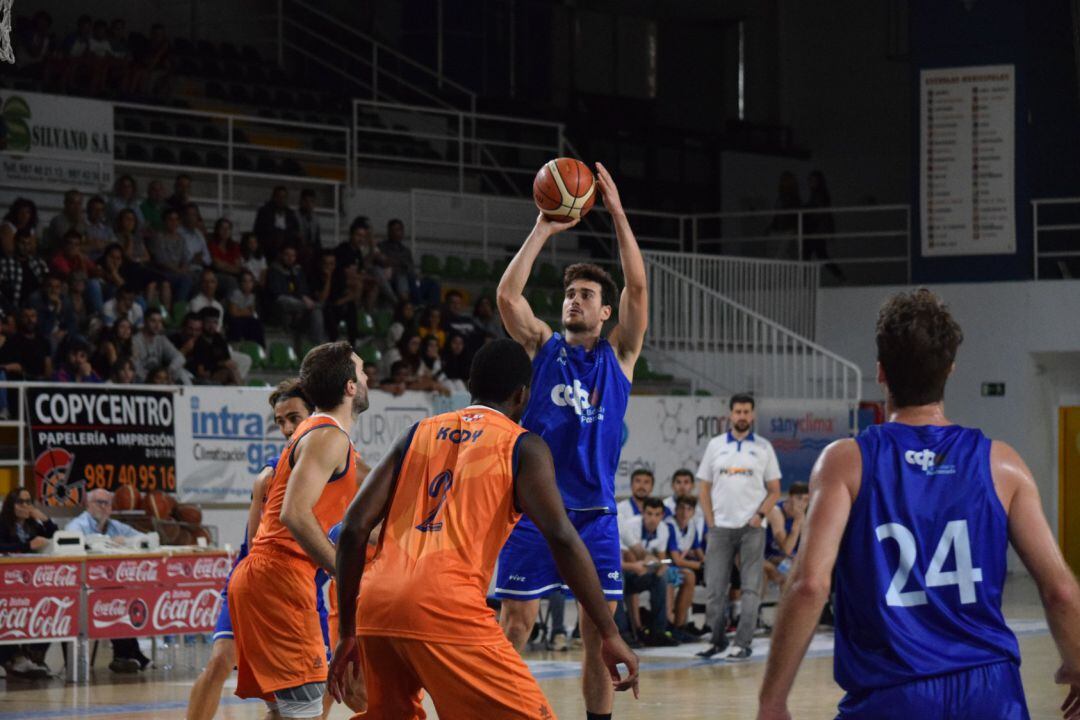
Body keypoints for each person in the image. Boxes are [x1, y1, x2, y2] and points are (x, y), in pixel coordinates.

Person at [758, 289, 1080, 719]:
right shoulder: (1003, 464)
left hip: (892, 693)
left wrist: (772, 699)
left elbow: (809, 585)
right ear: (949, 370)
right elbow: (1060, 589)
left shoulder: (845, 462)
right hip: (990, 692)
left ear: (880, 372)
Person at [328, 338, 639, 716]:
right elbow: (562, 538)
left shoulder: (417, 432)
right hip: (446, 605)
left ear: (471, 386)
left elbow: (353, 528)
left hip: (376, 606)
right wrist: (609, 632)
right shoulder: (522, 446)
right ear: (523, 395)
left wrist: (346, 632)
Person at [494, 162, 648, 720]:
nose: (574, 301)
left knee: (596, 637)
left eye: (586, 295)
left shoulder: (620, 357)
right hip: (535, 514)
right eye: (570, 295)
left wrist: (618, 213)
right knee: (514, 627)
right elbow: (509, 298)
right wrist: (542, 226)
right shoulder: (543, 349)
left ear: (606, 312)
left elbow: (637, 284)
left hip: (596, 518)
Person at [229, 341, 368, 718]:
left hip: (268, 576)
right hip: (278, 578)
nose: (368, 374)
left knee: (287, 711)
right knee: (305, 711)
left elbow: (373, 489)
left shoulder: (325, 437)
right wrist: (343, 568)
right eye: (362, 369)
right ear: (350, 387)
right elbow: (294, 513)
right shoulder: (328, 437)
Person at [187, 380, 314, 720]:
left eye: (294, 418)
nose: (287, 428)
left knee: (296, 693)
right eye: (280, 421)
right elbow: (255, 541)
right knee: (219, 660)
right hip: (257, 574)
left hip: (305, 586)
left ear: (314, 415)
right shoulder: (274, 469)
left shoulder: (334, 463)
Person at [696, 393, 782, 661]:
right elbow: (704, 486)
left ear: (753, 415)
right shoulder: (715, 445)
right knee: (715, 588)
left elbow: (775, 490)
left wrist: (760, 515)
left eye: (746, 412)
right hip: (720, 527)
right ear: (730, 415)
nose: (742, 416)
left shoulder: (764, 448)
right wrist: (710, 521)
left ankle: (743, 643)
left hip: (752, 527)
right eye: (738, 412)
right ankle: (717, 640)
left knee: (750, 588)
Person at [67, 488, 150, 673]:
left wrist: (129, 542)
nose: (104, 507)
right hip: (83, 586)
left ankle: (125, 654)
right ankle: (130, 654)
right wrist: (110, 542)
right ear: (88, 505)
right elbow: (74, 544)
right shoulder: (78, 524)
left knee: (124, 598)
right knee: (113, 600)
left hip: (109, 585)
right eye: (99, 503)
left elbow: (144, 538)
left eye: (108, 503)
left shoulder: (115, 526)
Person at [0, 488, 57, 677]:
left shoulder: (33, 525)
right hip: (7, 581)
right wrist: (27, 546)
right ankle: (12, 657)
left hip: (32, 581)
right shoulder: (2, 523)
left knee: (50, 609)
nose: (25, 506)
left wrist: (45, 519)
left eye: (28, 502)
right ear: (11, 505)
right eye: (20, 502)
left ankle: (34, 655)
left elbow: (56, 537)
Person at [619, 497, 676, 646]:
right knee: (618, 579)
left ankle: (658, 631)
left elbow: (658, 558)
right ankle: (624, 632)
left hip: (641, 570)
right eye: (649, 514)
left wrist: (659, 567)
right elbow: (627, 558)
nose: (653, 519)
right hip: (625, 571)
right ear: (642, 513)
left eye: (657, 514)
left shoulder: (663, 529)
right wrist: (641, 565)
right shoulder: (629, 525)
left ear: (662, 515)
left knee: (661, 578)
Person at [667, 496, 706, 636]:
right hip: (665, 564)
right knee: (689, 576)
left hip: (676, 567)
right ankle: (675, 625)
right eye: (682, 508)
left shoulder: (692, 526)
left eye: (689, 509)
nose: (685, 512)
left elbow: (699, 552)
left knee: (693, 575)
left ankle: (681, 626)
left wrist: (709, 565)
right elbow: (677, 560)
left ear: (694, 512)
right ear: (676, 510)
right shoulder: (669, 525)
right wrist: (701, 566)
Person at [762, 482, 808, 589]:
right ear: (789, 498)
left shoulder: (802, 516)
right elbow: (786, 549)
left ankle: (788, 604)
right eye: (799, 498)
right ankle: (754, 605)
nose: (802, 503)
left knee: (796, 572)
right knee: (769, 575)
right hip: (760, 557)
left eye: (806, 500)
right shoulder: (775, 512)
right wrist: (797, 522)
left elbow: (806, 545)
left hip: (778, 558)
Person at [131, 307, 190, 383]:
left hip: (159, 377)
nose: (157, 325)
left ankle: (192, 394)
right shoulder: (135, 340)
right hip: (142, 378)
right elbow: (135, 366)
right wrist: (149, 378)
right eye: (153, 321)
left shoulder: (161, 339)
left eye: (159, 321)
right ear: (145, 321)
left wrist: (168, 371)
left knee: (181, 372)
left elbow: (180, 357)